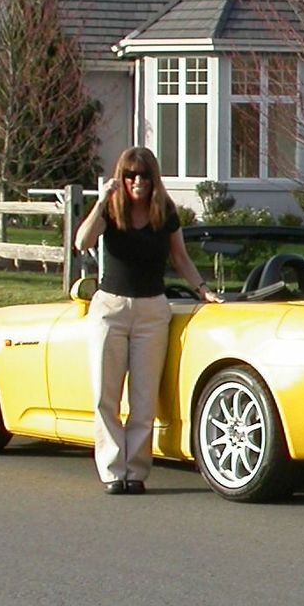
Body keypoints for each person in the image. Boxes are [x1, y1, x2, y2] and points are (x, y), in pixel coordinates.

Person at [73, 146, 219, 494]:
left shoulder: (164, 212)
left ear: (154, 179)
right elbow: (82, 241)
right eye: (130, 175)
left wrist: (203, 290)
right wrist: (101, 200)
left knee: (144, 398)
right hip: (110, 309)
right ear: (121, 179)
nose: (137, 181)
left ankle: (136, 471)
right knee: (106, 395)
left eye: (144, 176)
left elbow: (180, 258)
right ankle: (113, 471)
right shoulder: (111, 209)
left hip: (152, 310)